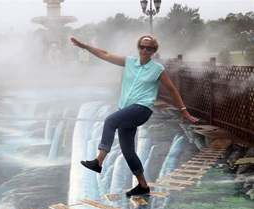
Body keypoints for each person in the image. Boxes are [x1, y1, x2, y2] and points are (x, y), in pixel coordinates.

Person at [70, 34, 199, 196]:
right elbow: (106, 55)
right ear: (138, 48)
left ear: (153, 51)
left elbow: (172, 89)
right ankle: (143, 185)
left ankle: (99, 161)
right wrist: (84, 46)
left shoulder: (157, 69)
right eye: (142, 47)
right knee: (127, 149)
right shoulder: (129, 62)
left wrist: (184, 110)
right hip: (126, 109)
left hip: (142, 109)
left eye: (149, 48)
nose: (145, 50)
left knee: (110, 121)